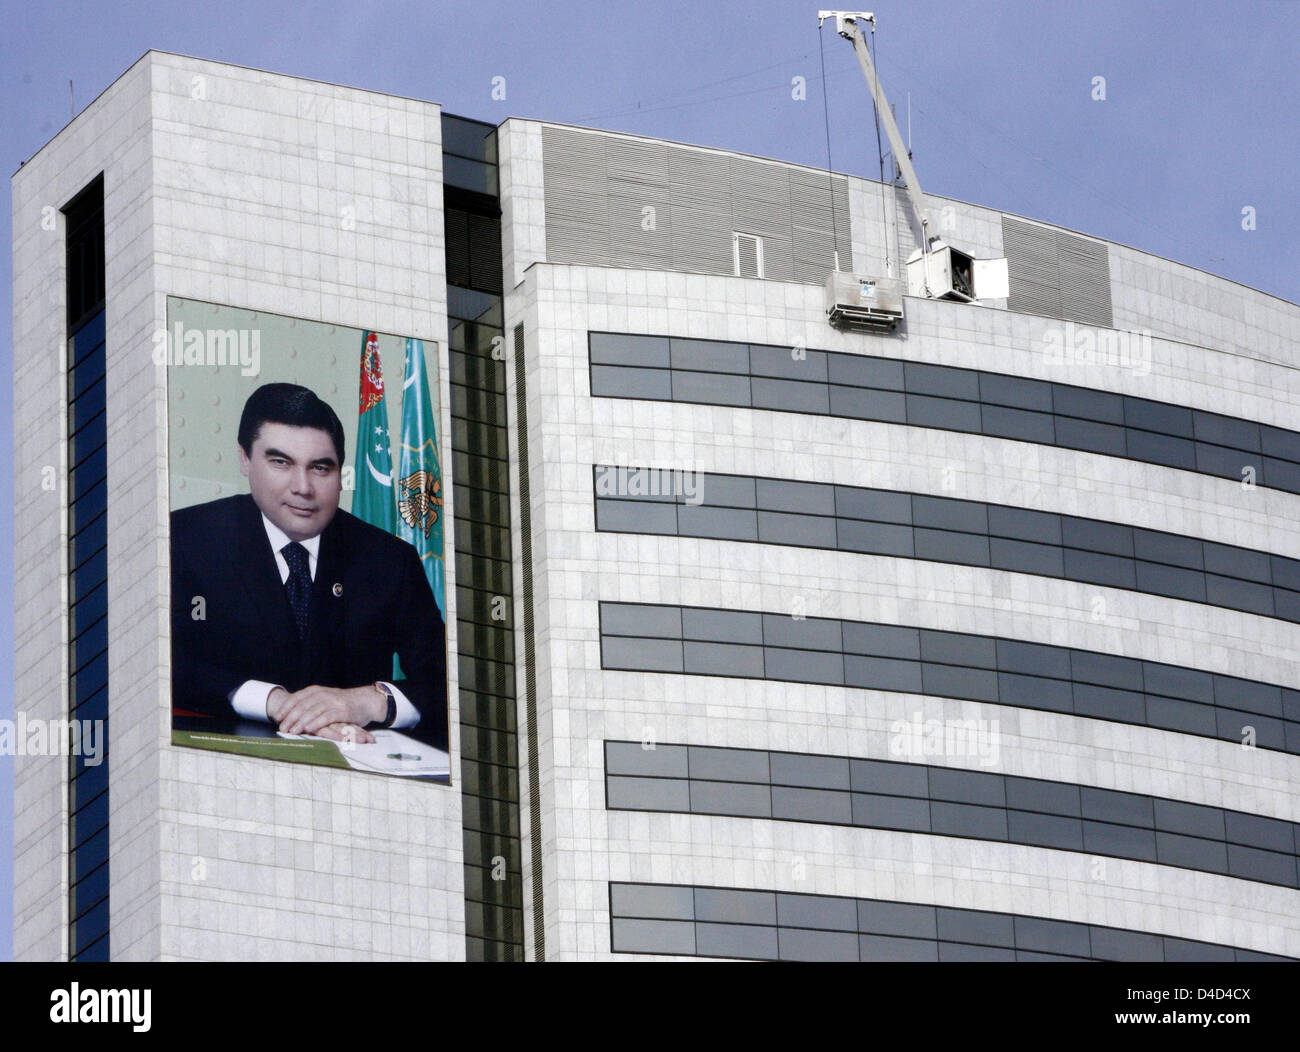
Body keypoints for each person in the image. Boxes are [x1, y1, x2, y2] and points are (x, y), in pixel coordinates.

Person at [170, 382, 447, 750]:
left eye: (320, 468)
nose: (303, 487)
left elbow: (450, 684)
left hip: (353, 769)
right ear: (244, 459)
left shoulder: (389, 561)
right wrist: (275, 702)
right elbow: (161, 663)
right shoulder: (185, 539)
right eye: (281, 462)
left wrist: (366, 701)